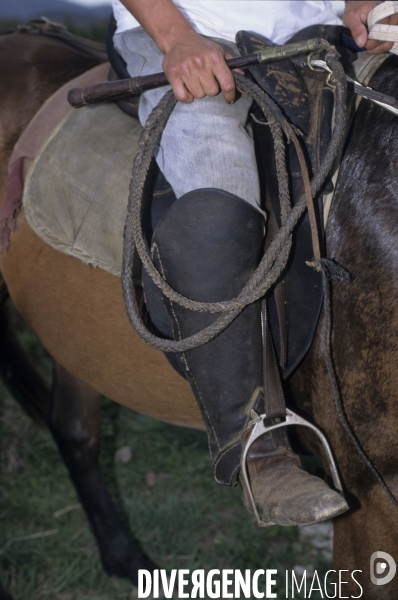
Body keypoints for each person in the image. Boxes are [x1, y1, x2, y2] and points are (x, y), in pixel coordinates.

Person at [111, 0, 395, 526]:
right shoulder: (181, 35)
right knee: (219, 192)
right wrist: (174, 36)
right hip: (195, 36)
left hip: (316, 39)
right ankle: (255, 446)